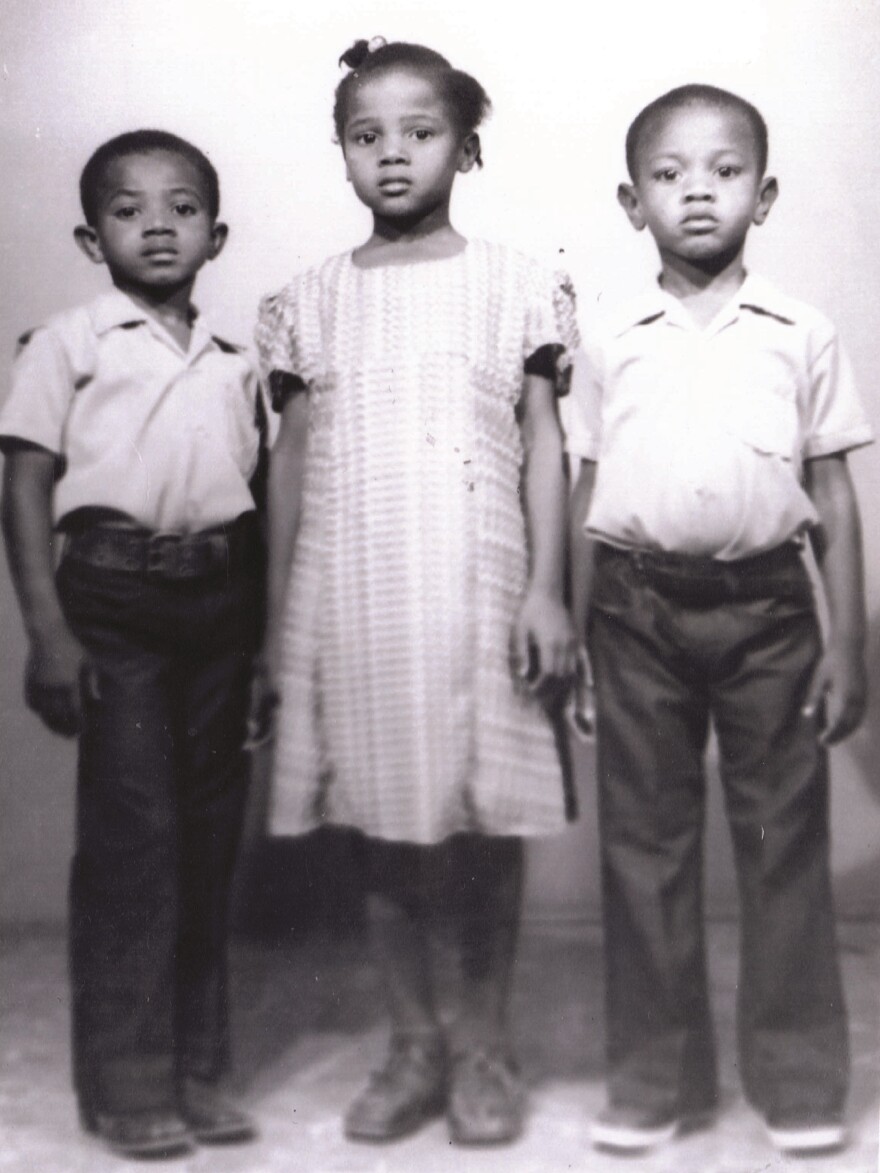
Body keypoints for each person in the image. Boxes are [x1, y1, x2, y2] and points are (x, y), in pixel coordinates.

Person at [254, 37, 578, 1147]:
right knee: (383, 832)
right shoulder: (306, 301)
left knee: (484, 830)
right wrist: (271, 633)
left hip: (480, 594)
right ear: (341, 152)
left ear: (467, 147)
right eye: (365, 134)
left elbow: (543, 444)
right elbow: (289, 467)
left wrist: (549, 592)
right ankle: (413, 1040)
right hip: (353, 598)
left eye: (420, 131)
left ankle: (484, 1041)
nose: (392, 154)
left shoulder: (518, 284)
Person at [568, 84, 873, 1156]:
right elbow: (583, 489)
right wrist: (574, 637)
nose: (697, 191)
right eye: (668, 174)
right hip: (635, 612)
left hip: (772, 617)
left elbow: (831, 495)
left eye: (724, 170)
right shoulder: (606, 333)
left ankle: (797, 1084)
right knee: (643, 851)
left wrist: (851, 645)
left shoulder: (801, 331)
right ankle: (655, 1084)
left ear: (766, 191)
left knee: (781, 845)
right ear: (629, 199)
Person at [0, 130, 266, 1159]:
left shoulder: (238, 363)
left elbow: (254, 514)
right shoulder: (68, 342)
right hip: (111, 601)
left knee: (204, 846)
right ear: (88, 233)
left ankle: (198, 1072)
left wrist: (260, 647)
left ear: (216, 233)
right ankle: (128, 1083)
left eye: (182, 206)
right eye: (128, 207)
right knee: (132, 847)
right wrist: (48, 633)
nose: (158, 223)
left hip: (219, 604)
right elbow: (23, 484)